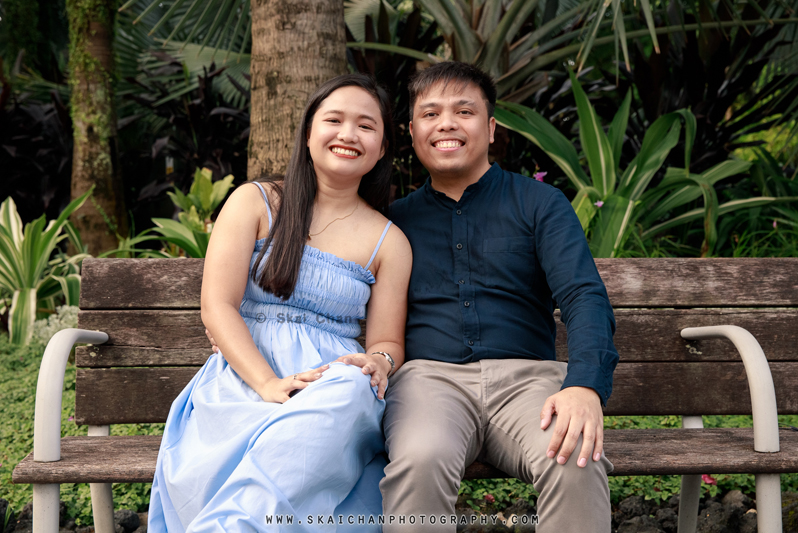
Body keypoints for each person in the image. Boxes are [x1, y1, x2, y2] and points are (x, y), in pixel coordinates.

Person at [148, 73, 412, 533]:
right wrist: (268, 384)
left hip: (333, 395)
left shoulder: (389, 241)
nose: (349, 134)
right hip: (245, 380)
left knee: (353, 385)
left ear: (383, 147)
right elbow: (218, 305)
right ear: (308, 133)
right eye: (334, 120)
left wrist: (380, 362)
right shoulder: (255, 202)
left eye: (366, 126)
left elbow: (387, 341)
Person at [378, 62, 618, 532]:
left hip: (531, 384)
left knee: (574, 457)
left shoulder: (540, 204)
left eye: (464, 111)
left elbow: (583, 295)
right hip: (430, 384)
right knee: (420, 458)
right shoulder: (393, 222)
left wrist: (585, 385)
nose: (446, 124)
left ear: (490, 129)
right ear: (412, 132)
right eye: (430, 114)